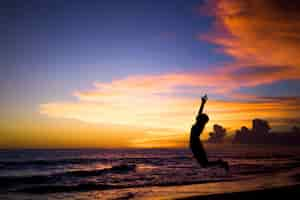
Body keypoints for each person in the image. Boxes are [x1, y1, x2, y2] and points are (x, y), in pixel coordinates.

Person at [190, 95, 229, 171]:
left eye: (200, 117)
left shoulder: (199, 126)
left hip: (196, 145)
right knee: (204, 164)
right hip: (195, 145)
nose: (198, 116)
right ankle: (220, 163)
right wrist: (203, 103)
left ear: (201, 120)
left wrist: (194, 150)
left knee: (204, 164)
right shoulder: (198, 123)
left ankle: (221, 163)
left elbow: (199, 114)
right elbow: (199, 113)